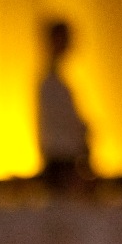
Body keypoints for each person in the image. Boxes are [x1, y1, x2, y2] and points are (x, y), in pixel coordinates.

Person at [36, 17, 92, 184]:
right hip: (61, 160)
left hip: (65, 158)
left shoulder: (56, 81)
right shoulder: (50, 83)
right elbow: (59, 124)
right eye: (65, 38)